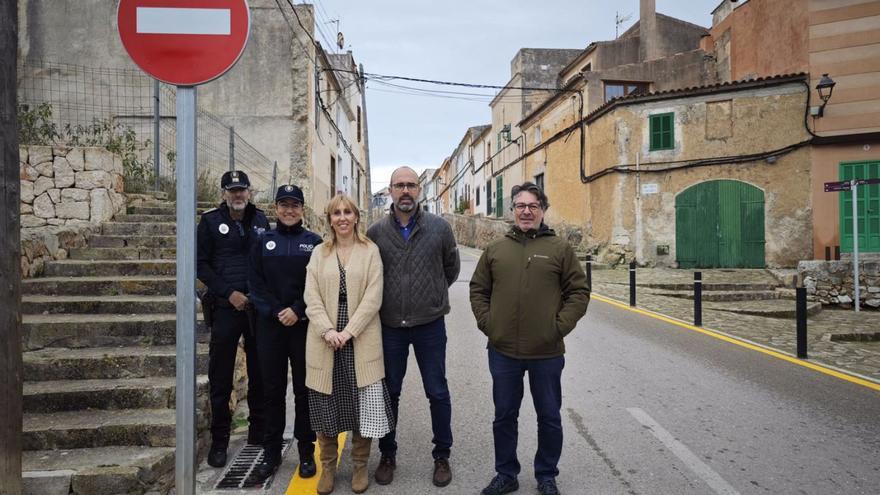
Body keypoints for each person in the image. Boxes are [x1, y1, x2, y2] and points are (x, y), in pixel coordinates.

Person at [469, 182, 590, 495]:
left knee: (548, 416)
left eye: (532, 206)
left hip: (546, 352)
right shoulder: (496, 250)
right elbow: (478, 290)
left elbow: (578, 291)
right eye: (520, 206)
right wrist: (489, 325)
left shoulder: (559, 249)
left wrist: (558, 327)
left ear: (543, 210)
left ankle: (546, 475)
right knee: (504, 416)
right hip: (502, 350)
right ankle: (506, 474)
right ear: (512, 211)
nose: (526, 211)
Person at [366, 166, 460, 488]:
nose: (405, 191)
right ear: (390, 190)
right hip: (390, 326)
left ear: (419, 190)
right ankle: (388, 454)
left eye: (411, 185)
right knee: (389, 392)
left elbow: (451, 268)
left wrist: (431, 297)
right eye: (399, 185)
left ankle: (442, 456)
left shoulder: (440, 228)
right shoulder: (376, 232)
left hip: (429, 325)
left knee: (437, 391)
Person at [304, 193, 394, 494]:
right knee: (325, 408)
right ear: (329, 219)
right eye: (336, 213)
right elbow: (311, 296)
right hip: (325, 341)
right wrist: (328, 330)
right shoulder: (319, 253)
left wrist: (348, 331)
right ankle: (328, 467)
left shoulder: (370, 251)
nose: (342, 217)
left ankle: (359, 467)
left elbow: (374, 297)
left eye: (347, 212)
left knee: (361, 409)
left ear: (356, 217)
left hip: (360, 339)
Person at [248, 184, 322, 480]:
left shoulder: (314, 242)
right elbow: (255, 283)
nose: (289, 210)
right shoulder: (262, 241)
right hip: (270, 327)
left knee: (304, 391)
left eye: (295, 205)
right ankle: (271, 453)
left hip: (302, 327)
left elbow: (317, 285)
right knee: (272, 391)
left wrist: (297, 309)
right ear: (275, 209)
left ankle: (306, 451)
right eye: (284, 205)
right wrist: (276, 311)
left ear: (302, 210)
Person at [197, 170, 269, 468]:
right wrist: (230, 294)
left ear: (249, 192)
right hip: (226, 309)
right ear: (224, 193)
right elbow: (200, 265)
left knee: (261, 374)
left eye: (242, 190)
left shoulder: (261, 220)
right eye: (232, 190)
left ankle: (259, 431)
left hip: (256, 310)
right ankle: (220, 441)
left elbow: (268, 261)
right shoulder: (210, 221)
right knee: (221, 378)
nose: (238, 195)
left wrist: (260, 296)